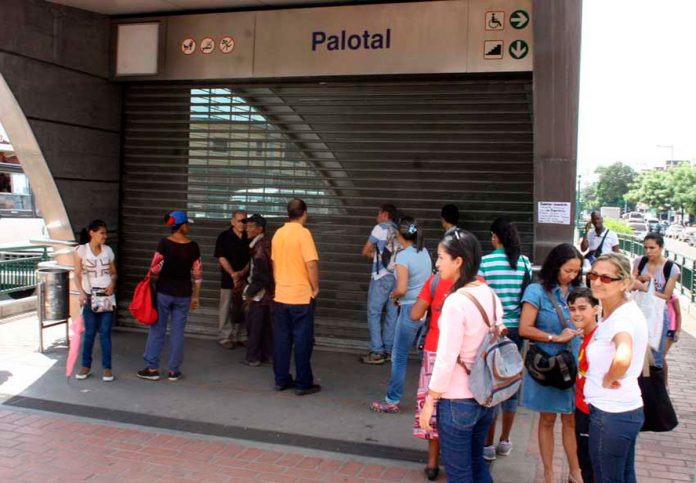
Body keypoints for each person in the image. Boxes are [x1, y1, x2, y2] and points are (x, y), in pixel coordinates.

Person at [418, 230, 503, 483]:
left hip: (457, 399)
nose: (437, 263)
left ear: (458, 262)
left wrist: (430, 401)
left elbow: (445, 358)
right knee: (477, 463)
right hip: (485, 395)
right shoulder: (488, 293)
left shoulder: (456, 302)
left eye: (441, 257)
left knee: (459, 472)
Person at [519, 243, 584, 483]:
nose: (572, 276)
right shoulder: (536, 291)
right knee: (547, 419)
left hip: (575, 364)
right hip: (549, 365)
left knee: (571, 418)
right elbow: (525, 328)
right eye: (568, 270)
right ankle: (549, 473)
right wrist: (554, 337)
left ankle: (575, 472)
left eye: (576, 271)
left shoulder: (580, 292)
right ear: (555, 266)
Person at [586, 253, 648, 483]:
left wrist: (609, 377)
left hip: (611, 413)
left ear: (624, 283)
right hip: (623, 410)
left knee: (607, 478)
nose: (597, 282)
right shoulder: (619, 311)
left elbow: (623, 357)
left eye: (606, 278)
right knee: (622, 475)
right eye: (593, 275)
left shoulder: (621, 318)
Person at [478, 217, 533, 461]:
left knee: (491, 383)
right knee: (510, 384)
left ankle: (487, 445)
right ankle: (505, 440)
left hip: (491, 331)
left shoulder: (485, 263)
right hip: (516, 333)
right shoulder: (524, 263)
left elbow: (480, 296)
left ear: (495, 237)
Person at [370, 217, 431, 413]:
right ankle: (430, 399)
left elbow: (402, 288)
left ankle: (392, 400)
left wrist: (393, 295)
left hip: (409, 311)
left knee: (399, 357)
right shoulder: (424, 252)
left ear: (398, 235)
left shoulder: (403, 257)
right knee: (426, 356)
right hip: (424, 309)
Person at [137, 211, 202, 381]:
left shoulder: (164, 244)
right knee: (178, 332)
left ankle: (152, 369)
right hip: (184, 294)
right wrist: (196, 296)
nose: (188, 227)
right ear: (181, 226)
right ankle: (174, 371)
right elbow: (197, 274)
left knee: (157, 329)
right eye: (187, 224)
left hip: (164, 292)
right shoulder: (193, 246)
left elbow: (155, 268)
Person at [271, 198, 321, 396]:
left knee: (281, 340)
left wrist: (279, 283)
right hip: (301, 296)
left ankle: (281, 379)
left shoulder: (278, 234)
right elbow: (310, 264)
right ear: (304, 213)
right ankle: (303, 383)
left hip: (281, 294)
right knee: (302, 341)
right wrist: (315, 287)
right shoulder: (303, 234)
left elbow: (274, 264)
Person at [410, 267, 455, 480]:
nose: (438, 262)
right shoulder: (478, 282)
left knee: (432, 409)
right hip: (463, 356)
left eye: (441, 257)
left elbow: (415, 314)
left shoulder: (434, 281)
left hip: (434, 351)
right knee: (459, 408)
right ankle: (456, 461)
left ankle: (432, 463)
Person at [632, 232, 680, 384]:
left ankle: (656, 392)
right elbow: (630, 283)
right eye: (645, 247)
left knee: (656, 356)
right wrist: (639, 280)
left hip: (658, 314)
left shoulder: (671, 268)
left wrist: (647, 289)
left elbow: (666, 297)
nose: (648, 251)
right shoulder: (640, 262)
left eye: (652, 248)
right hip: (639, 310)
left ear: (661, 248)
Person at [74, 220, 117, 382]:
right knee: (89, 333)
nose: (105, 236)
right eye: (102, 233)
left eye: (106, 233)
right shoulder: (81, 251)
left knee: (105, 333)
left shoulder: (108, 251)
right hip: (89, 297)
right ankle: (85, 366)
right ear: (91, 233)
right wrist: (81, 293)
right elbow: (76, 274)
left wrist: (112, 284)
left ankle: (107, 368)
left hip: (106, 298)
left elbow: (114, 273)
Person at [360, 203, 400, 365]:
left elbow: (365, 250)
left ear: (385, 214)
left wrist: (375, 256)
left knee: (374, 313)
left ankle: (377, 351)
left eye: (379, 214)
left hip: (381, 277)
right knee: (392, 314)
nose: (377, 217)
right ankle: (389, 350)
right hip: (398, 277)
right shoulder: (399, 231)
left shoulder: (379, 228)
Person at [568, 287, 600, 483]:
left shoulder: (598, 340)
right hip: (583, 409)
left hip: (592, 413)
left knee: (591, 468)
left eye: (582, 308)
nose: (576, 314)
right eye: (572, 309)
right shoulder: (586, 336)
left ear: (596, 310)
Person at [214, 210, 250, 349]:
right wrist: (233, 274)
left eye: (245, 221)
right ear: (233, 221)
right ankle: (225, 337)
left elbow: (251, 259)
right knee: (226, 307)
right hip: (228, 279)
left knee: (243, 308)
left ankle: (241, 336)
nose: (243, 223)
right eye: (240, 220)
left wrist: (242, 273)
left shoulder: (249, 237)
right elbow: (221, 257)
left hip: (245, 279)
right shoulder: (224, 237)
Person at [242, 214, 273, 367]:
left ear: (260, 229)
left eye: (251, 226)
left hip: (260, 294)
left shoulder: (259, 248)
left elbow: (261, 275)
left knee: (254, 325)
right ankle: (266, 354)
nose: (247, 228)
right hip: (267, 293)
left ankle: (253, 356)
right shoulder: (263, 243)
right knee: (264, 326)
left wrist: (249, 293)